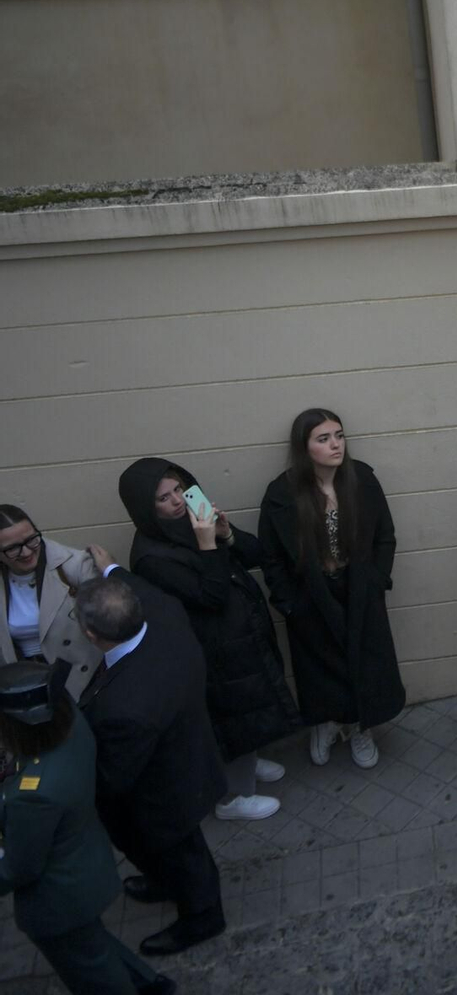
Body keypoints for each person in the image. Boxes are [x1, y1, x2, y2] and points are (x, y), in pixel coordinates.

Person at [117, 458, 300, 822]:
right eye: (163, 498)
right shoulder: (151, 557)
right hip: (211, 649)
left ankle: (248, 763)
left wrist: (226, 534)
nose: (177, 501)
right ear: (145, 508)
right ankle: (232, 797)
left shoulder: (194, 519)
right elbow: (211, 596)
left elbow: (255, 554)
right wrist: (207, 544)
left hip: (240, 636)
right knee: (231, 717)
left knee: (249, 707)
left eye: (178, 490)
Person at [76, 568, 227, 957]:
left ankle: (203, 916)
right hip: (189, 759)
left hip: (161, 797)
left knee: (180, 856)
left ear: (91, 635)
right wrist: (110, 569)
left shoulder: (124, 708)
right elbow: (150, 592)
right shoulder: (166, 614)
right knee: (176, 856)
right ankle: (166, 883)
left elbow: (113, 779)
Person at [0, 662, 174, 995]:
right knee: (92, 947)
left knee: (89, 971)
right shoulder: (70, 725)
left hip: (58, 899)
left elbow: (19, 867)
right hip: (85, 862)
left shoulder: (32, 794)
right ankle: (148, 984)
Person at [259, 409, 404, 770]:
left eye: (338, 435)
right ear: (304, 447)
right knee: (320, 666)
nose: (335, 445)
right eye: (323, 439)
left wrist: (377, 581)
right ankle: (326, 723)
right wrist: (289, 603)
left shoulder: (361, 479)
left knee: (364, 661)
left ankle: (360, 725)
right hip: (311, 594)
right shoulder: (282, 493)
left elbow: (385, 535)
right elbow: (271, 556)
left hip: (359, 589)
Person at [0, 505, 103, 697]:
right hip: (19, 685)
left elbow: (110, 616)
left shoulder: (73, 565)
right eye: (12, 548)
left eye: (31, 540)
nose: (26, 552)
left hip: (79, 681)